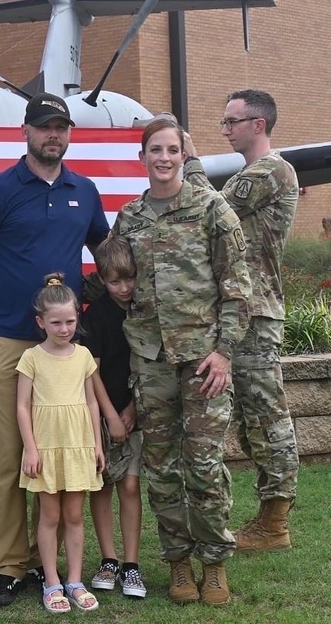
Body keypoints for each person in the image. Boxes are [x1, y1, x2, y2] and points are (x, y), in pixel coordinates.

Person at [0, 92, 109, 607]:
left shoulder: (84, 191)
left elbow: (105, 258)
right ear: (26, 131)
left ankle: (63, 569)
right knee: (9, 459)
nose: (54, 135)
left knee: (63, 458)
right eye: (45, 126)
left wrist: (76, 303)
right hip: (8, 343)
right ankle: (9, 566)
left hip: (64, 351)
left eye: (61, 127)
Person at [112, 118, 251, 606]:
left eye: (172, 149)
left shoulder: (213, 209)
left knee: (205, 466)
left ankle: (214, 563)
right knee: (161, 469)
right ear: (143, 157)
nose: (164, 158)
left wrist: (224, 352)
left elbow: (237, 289)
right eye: (155, 150)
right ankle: (178, 564)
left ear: (182, 155)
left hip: (203, 364)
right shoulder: (129, 217)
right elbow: (117, 283)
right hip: (150, 363)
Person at [183, 89, 301, 553]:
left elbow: (213, 209)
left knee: (267, 415)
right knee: (251, 419)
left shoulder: (272, 170)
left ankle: (275, 525)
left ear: (258, 124)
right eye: (223, 121)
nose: (225, 128)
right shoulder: (251, 172)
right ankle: (268, 519)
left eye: (232, 121)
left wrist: (190, 162)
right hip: (237, 312)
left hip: (255, 313)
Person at [16, 273, 104, 613]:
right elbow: (22, 406)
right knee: (49, 516)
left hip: (78, 445)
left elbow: (92, 402)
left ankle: (76, 581)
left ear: (76, 318)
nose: (64, 328)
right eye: (56, 322)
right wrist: (32, 448)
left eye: (69, 321)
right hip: (47, 447)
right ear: (41, 322)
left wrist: (96, 444)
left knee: (74, 515)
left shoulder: (83, 355)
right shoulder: (31, 358)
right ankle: (52, 582)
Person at [80, 235, 146, 599]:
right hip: (102, 413)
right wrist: (111, 417)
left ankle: (132, 565)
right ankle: (109, 559)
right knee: (103, 485)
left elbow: (151, 366)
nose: (124, 288)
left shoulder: (145, 310)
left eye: (130, 278)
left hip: (137, 410)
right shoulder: (98, 316)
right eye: (114, 281)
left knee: (131, 485)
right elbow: (93, 373)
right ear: (102, 281)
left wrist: (132, 410)